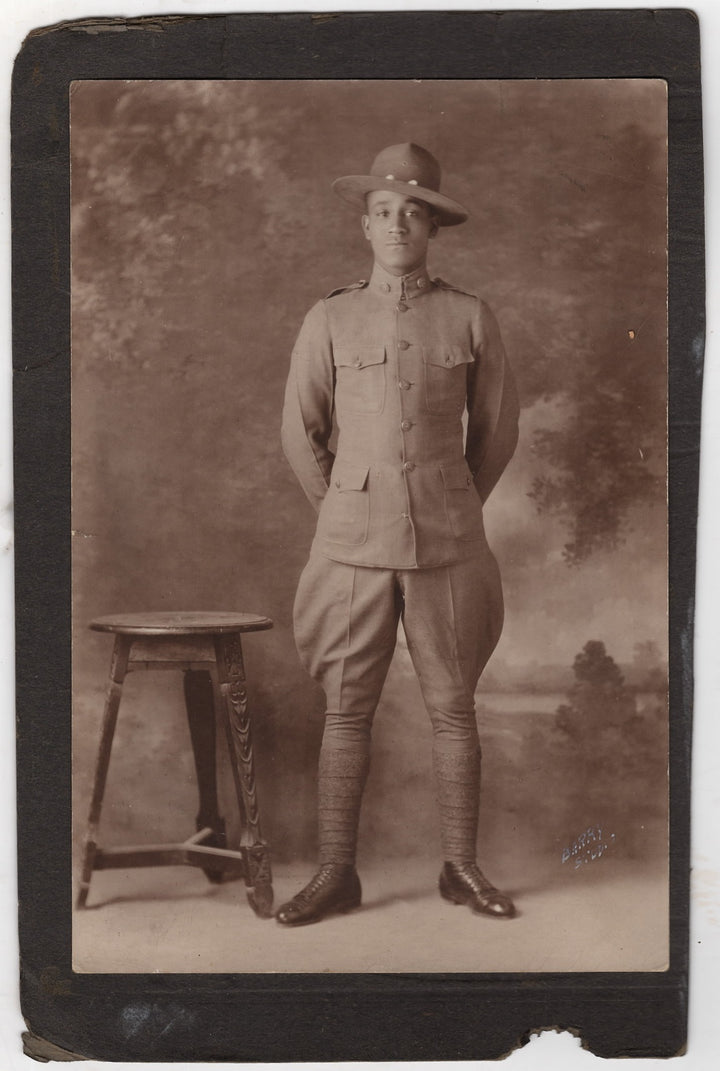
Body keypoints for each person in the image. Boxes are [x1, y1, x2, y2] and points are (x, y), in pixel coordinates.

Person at [278, 143, 519, 926]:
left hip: (449, 542)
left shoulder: (469, 315)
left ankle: (461, 867)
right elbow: (300, 431)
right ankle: (335, 873)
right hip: (349, 542)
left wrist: (453, 497)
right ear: (365, 224)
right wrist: (344, 503)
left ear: (433, 227)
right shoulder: (331, 315)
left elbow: (496, 431)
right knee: (346, 711)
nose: (396, 224)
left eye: (412, 211)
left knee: (455, 708)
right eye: (383, 211)